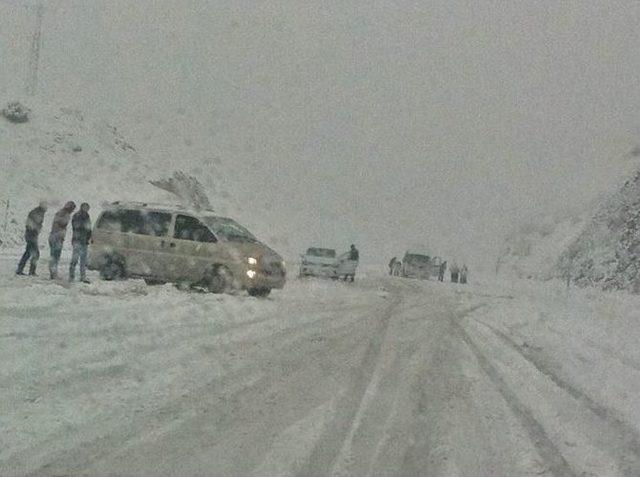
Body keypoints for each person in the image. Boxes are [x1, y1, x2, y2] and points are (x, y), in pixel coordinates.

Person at [16, 201, 47, 276]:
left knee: (28, 253)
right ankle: (31, 271)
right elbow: (30, 224)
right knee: (36, 254)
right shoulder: (36, 213)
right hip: (31, 235)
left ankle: (20, 269)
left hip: (32, 235)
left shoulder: (39, 213)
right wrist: (36, 229)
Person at [48, 201, 76, 279]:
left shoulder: (60, 213)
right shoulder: (64, 214)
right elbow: (62, 223)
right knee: (55, 256)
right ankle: (53, 273)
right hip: (57, 237)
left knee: (54, 256)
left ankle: (53, 272)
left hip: (55, 236)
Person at [69, 202, 92, 283]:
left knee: (83, 260)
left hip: (84, 241)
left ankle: (83, 276)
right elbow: (76, 227)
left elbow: (89, 228)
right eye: (85, 208)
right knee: (74, 259)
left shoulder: (87, 216)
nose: (86, 210)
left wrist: (89, 237)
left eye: (87, 208)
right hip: (77, 240)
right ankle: (71, 276)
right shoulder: (77, 216)